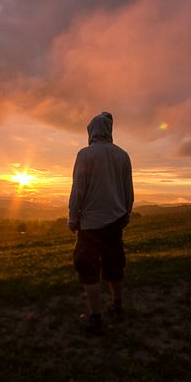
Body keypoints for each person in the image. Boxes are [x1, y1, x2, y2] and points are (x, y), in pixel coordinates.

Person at [68, 111, 134, 334]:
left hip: (89, 224)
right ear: (109, 131)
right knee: (115, 263)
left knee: (88, 268)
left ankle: (95, 317)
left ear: (91, 131)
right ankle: (117, 306)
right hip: (115, 220)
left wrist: (73, 219)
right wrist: (126, 214)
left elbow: (78, 190)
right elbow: (128, 191)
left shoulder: (85, 155)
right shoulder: (123, 155)